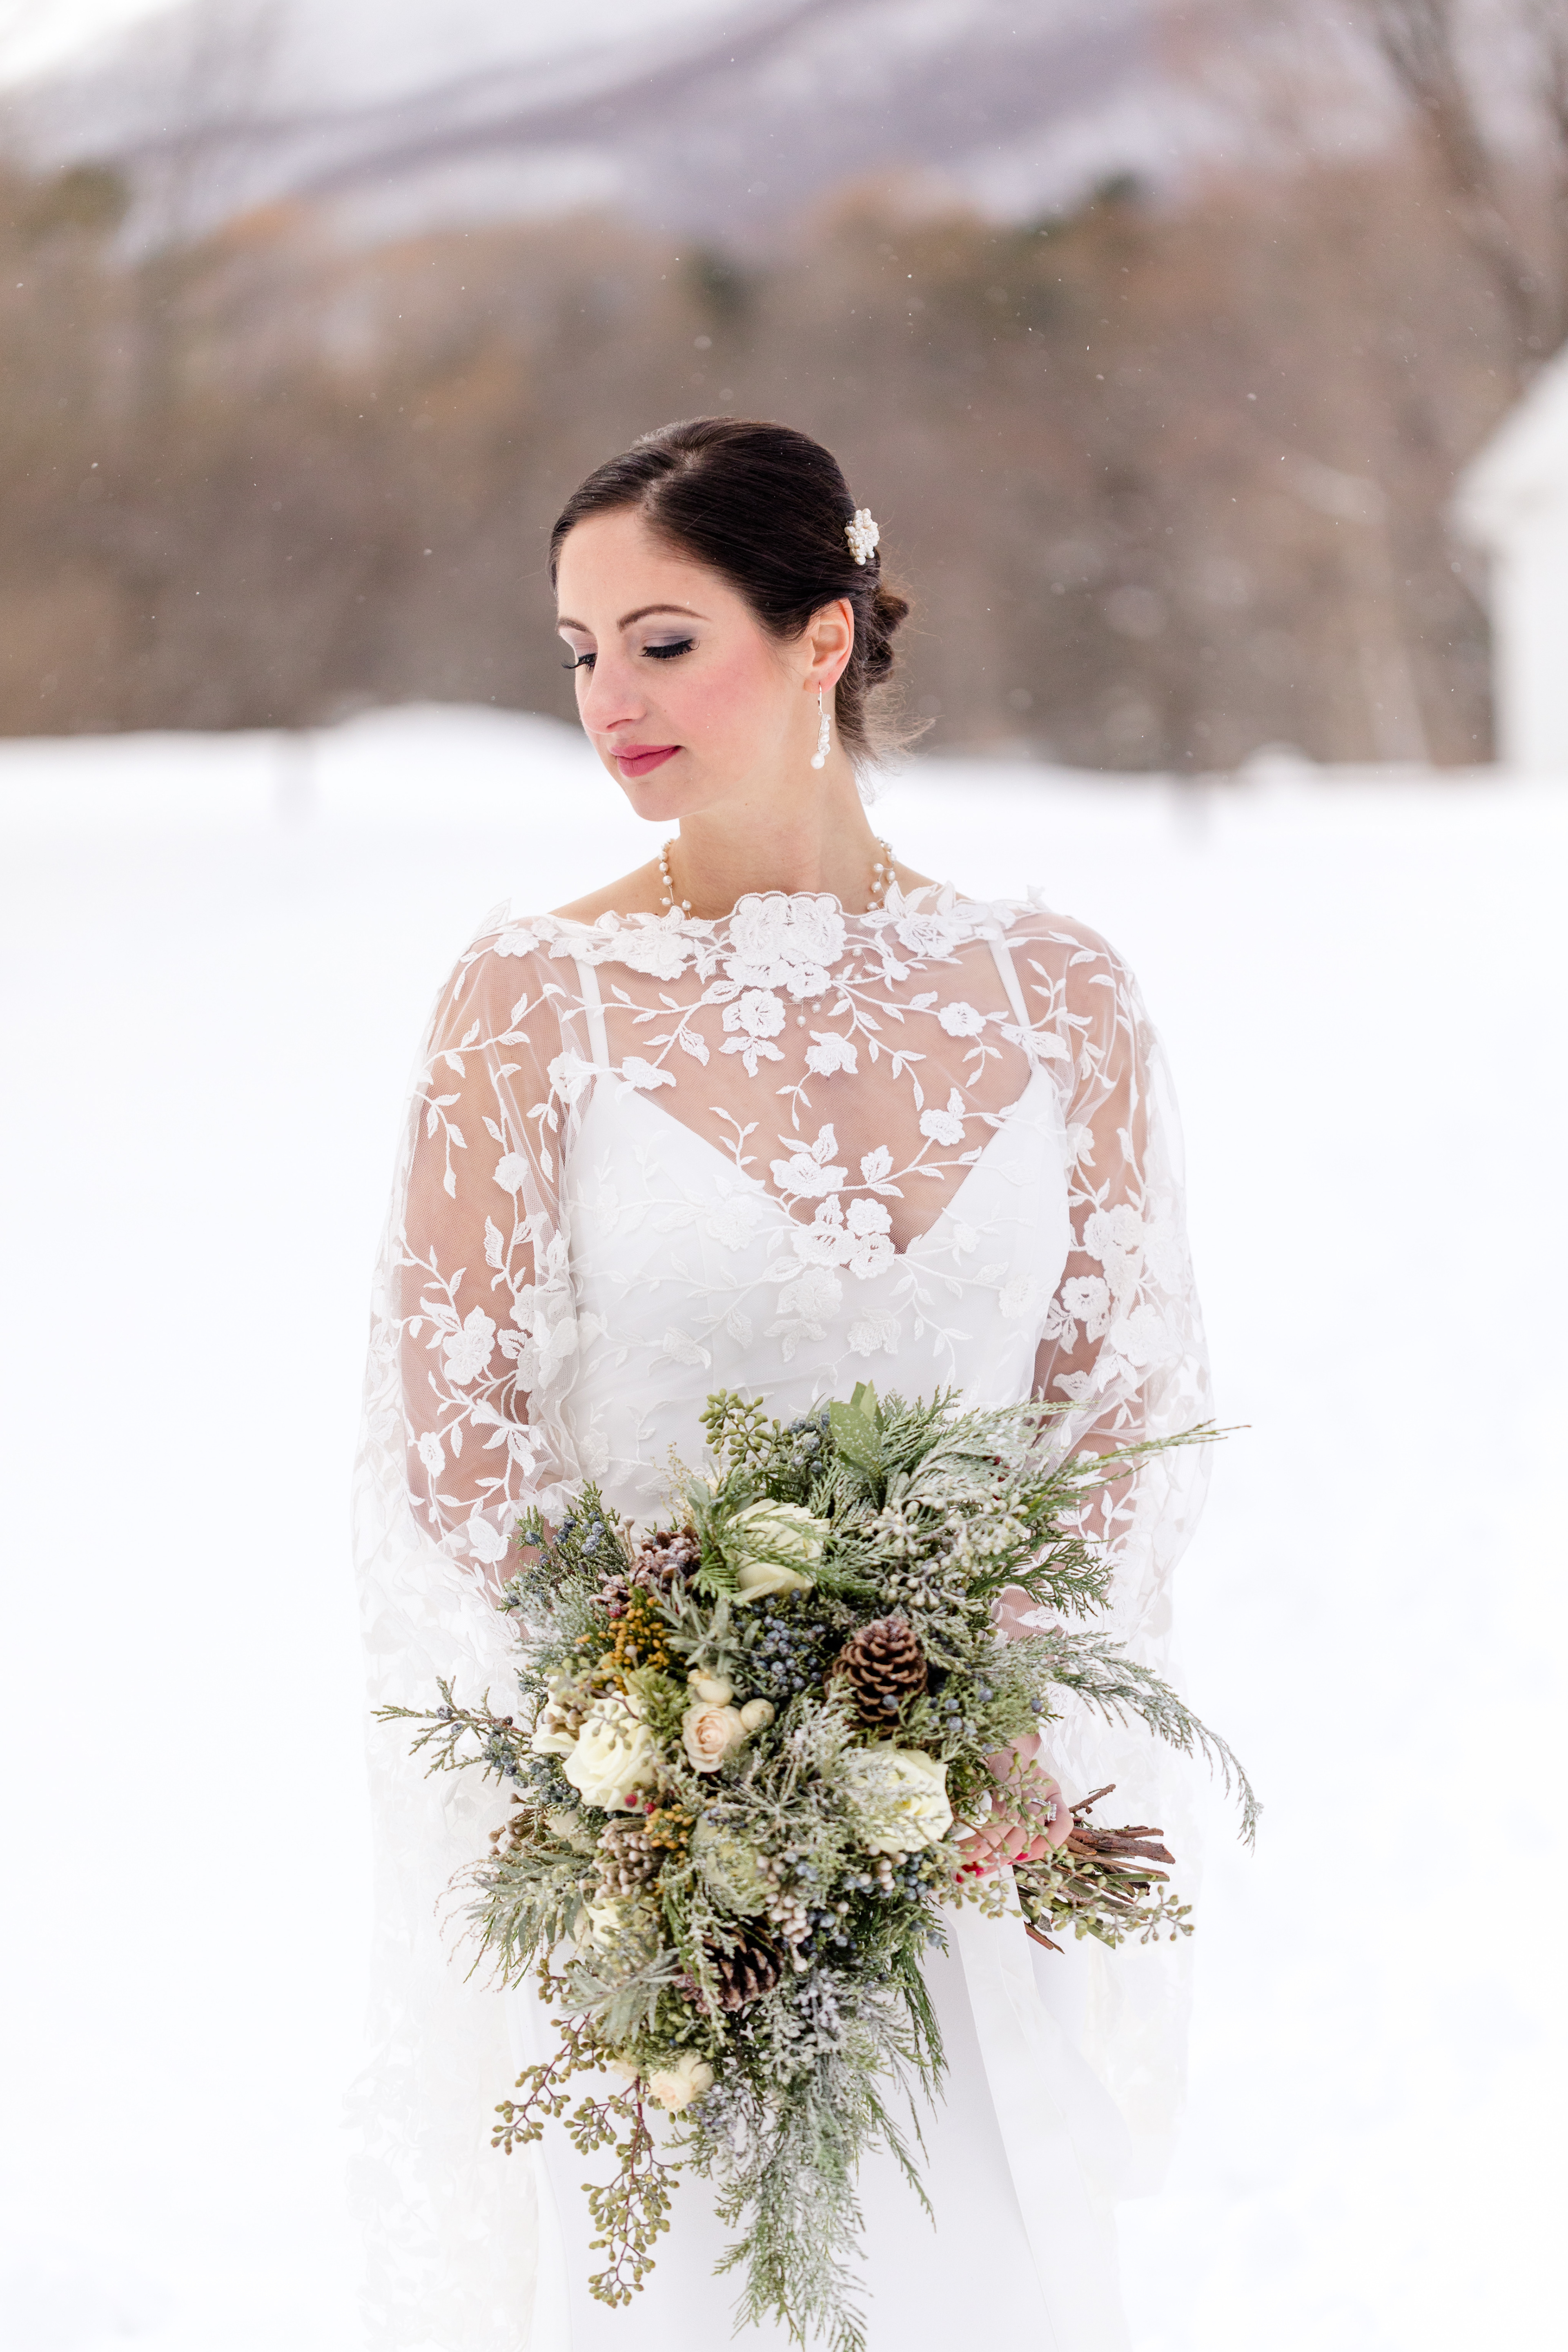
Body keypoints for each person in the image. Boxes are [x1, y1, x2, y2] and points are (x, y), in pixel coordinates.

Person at [351, 417, 1211, 2351]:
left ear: (824, 635)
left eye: (663, 640)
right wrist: (677, 1720)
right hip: (671, 1861)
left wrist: (979, 1696)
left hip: (968, 1827)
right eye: (578, 652)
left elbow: (1122, 1401)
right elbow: (458, 1432)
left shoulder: (1055, 995)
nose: (608, 700)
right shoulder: (530, 1003)